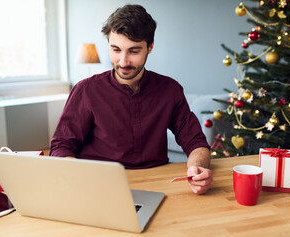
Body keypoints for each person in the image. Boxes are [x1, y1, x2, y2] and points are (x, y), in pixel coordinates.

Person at [50, 4, 212, 194]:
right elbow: (61, 146)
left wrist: (197, 169)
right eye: (116, 50)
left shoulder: (170, 90)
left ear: (150, 46)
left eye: (133, 51)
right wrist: (78, 174)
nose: (123, 61)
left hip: (155, 185)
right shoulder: (85, 90)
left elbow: (196, 143)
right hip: (97, 186)